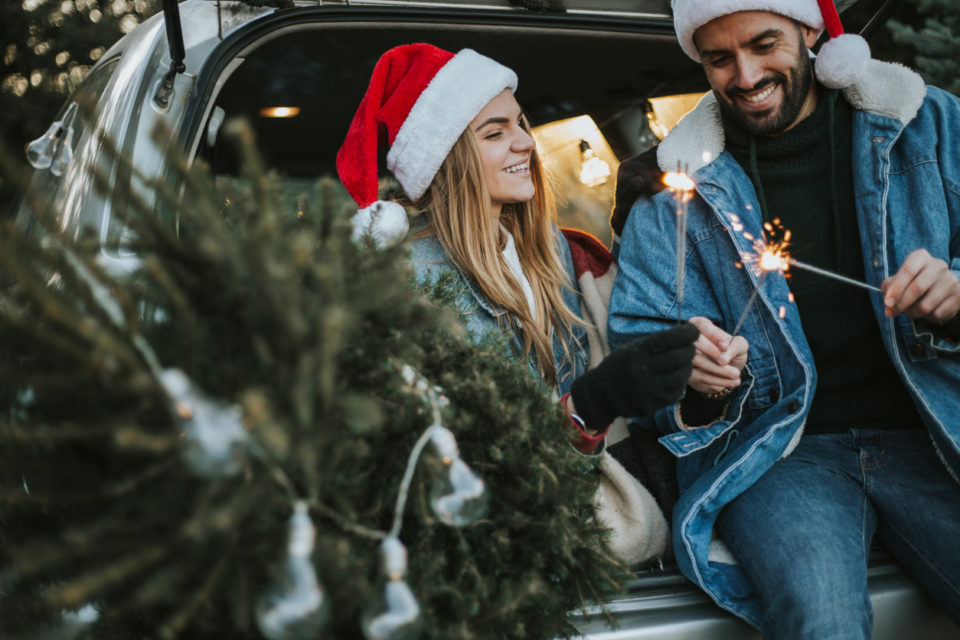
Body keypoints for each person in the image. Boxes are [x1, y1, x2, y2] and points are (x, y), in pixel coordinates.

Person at [608, 0, 960, 637]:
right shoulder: (672, 190)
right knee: (820, 617)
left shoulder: (927, 125)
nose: (744, 75)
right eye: (719, 58)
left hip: (932, 428)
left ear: (811, 31)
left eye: (763, 44)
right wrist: (694, 380)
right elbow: (641, 351)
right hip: (776, 453)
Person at [335, 43, 699, 566]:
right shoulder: (409, 282)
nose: (526, 142)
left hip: (597, 526)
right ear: (448, 155)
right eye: (495, 133)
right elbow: (445, 464)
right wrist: (585, 411)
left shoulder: (551, 252)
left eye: (520, 123)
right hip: (504, 553)